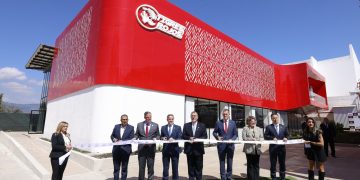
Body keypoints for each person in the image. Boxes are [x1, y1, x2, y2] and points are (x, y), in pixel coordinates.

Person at [212, 109, 238, 180]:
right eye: (224, 114)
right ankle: (223, 177)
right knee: (222, 161)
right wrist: (217, 137)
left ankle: (229, 176)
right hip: (221, 146)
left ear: (229, 115)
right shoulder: (218, 122)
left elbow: (236, 134)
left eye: (226, 114)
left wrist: (232, 140)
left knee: (230, 161)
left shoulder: (233, 123)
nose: (225, 115)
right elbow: (214, 132)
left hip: (230, 145)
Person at [134, 111, 160, 180]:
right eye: (147, 117)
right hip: (141, 149)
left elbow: (158, 135)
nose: (148, 118)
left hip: (151, 149)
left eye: (150, 117)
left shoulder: (155, 125)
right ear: (144, 117)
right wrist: (134, 138)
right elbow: (137, 134)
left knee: (150, 167)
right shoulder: (139, 124)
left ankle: (150, 178)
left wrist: (156, 138)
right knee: (141, 167)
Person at [182, 111, 208, 180]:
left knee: (199, 168)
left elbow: (205, 136)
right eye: (192, 115)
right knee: (190, 168)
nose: (193, 117)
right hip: (189, 150)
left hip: (198, 150)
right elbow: (183, 135)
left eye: (195, 115)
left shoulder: (202, 125)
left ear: (197, 117)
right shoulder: (186, 125)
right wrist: (189, 138)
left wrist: (196, 139)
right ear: (191, 117)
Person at [264, 113, 289, 180]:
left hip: (282, 149)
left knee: (282, 163)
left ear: (279, 118)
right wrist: (272, 138)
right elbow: (265, 136)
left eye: (276, 118)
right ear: (271, 119)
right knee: (273, 163)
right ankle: (273, 177)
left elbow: (287, 135)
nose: (275, 119)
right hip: (273, 149)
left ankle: (282, 177)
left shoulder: (283, 127)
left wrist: (286, 138)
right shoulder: (269, 127)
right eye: (273, 118)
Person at [110, 114, 135, 180]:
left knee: (124, 169)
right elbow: (112, 136)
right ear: (121, 120)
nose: (125, 121)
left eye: (126, 119)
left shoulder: (131, 128)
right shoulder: (116, 126)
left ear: (128, 120)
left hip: (125, 151)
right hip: (116, 150)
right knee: (116, 168)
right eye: (123, 119)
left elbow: (131, 138)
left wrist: (121, 141)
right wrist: (114, 139)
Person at [160, 114, 182, 180]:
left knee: (175, 167)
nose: (171, 120)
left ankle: (175, 178)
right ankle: (165, 178)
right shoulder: (163, 127)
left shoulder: (178, 127)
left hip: (175, 150)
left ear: (173, 119)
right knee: (165, 167)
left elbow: (180, 137)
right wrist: (162, 138)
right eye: (169, 119)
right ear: (167, 119)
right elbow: (161, 137)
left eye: (172, 119)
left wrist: (175, 140)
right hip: (166, 150)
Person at [242, 116, 264, 180]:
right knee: (250, 165)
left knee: (256, 165)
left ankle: (256, 178)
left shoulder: (259, 129)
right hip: (249, 150)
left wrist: (259, 140)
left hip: (257, 149)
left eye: (254, 121)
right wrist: (251, 139)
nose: (253, 122)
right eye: (251, 121)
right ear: (248, 122)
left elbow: (262, 137)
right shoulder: (245, 128)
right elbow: (244, 138)